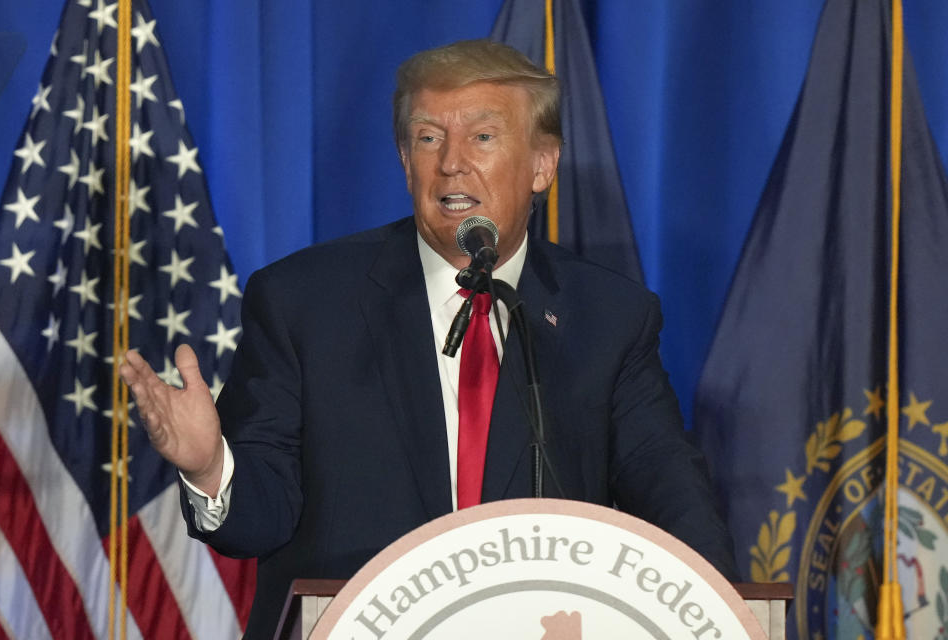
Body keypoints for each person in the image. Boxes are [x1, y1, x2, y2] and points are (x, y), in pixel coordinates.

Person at [120, 39, 737, 637]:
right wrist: (210, 468)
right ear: (404, 159)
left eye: (483, 136)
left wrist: (723, 619)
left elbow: (669, 492)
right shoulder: (303, 302)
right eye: (428, 137)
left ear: (543, 165)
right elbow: (260, 521)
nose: (451, 162)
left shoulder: (609, 317)